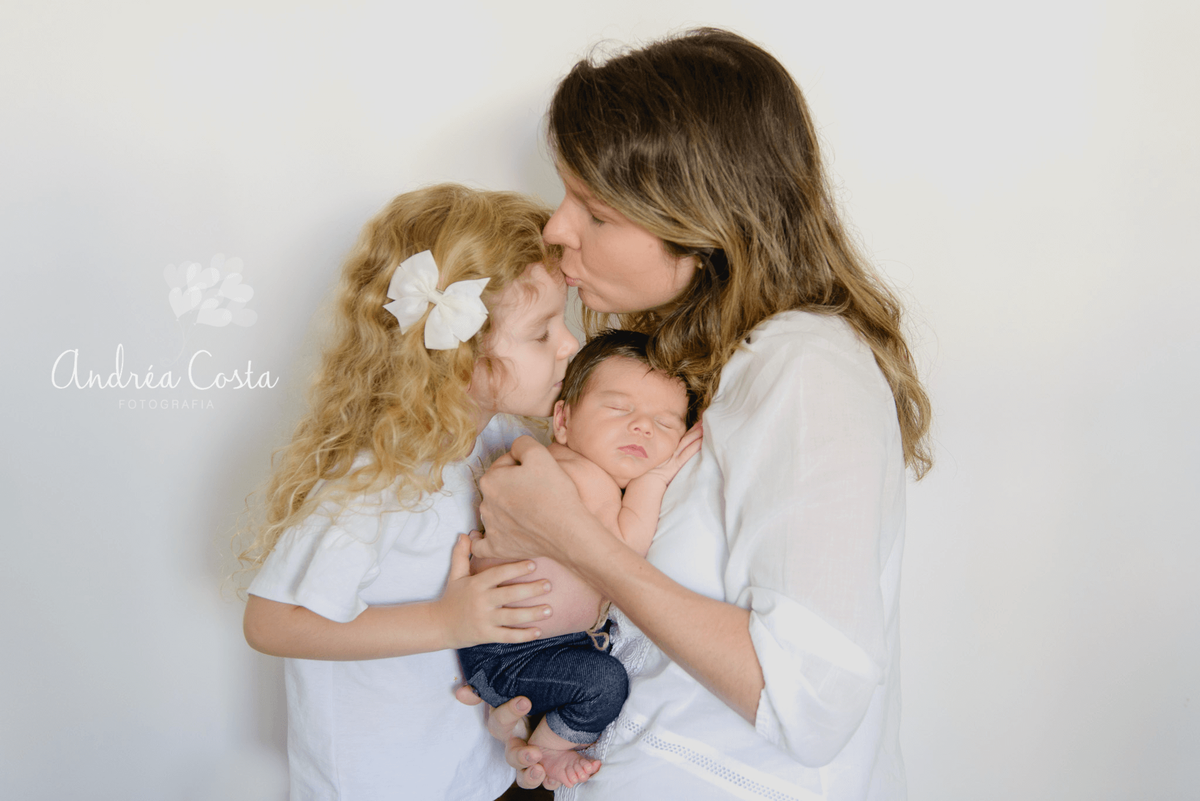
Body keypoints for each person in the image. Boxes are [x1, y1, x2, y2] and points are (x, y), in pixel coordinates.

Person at [467, 28, 933, 801]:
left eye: (597, 211)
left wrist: (573, 537)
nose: (556, 229)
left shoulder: (807, 371)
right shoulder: (680, 363)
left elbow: (810, 699)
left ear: (704, 225)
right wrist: (543, 711)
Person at [236, 183, 580, 800]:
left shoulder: (495, 439)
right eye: (541, 332)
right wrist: (445, 620)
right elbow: (270, 622)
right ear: (459, 352)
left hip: (468, 772)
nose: (570, 346)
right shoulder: (382, 479)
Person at [457, 329, 702, 789]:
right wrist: (659, 476)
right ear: (563, 421)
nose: (643, 426)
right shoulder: (572, 473)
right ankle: (548, 750)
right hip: (514, 653)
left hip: (545, 649)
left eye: (666, 423)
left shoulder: (582, 476)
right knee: (606, 683)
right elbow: (625, 553)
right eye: (619, 407)